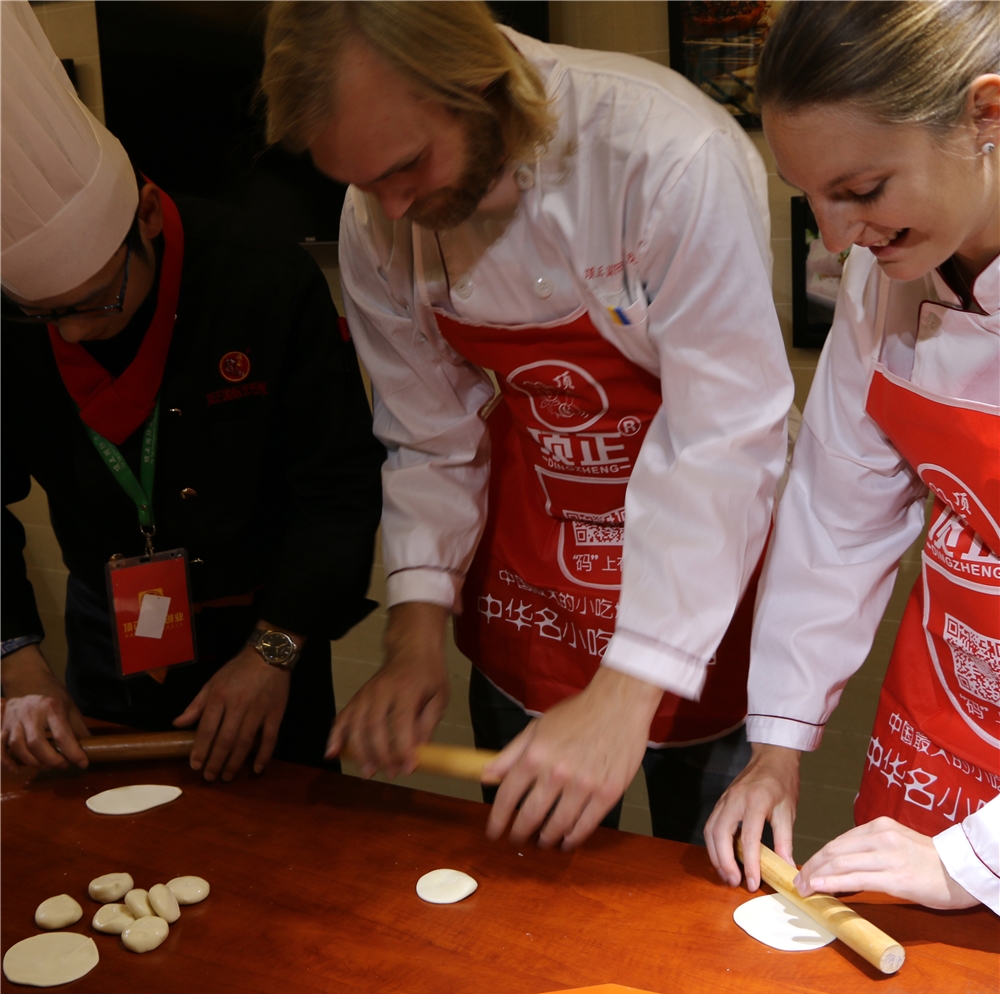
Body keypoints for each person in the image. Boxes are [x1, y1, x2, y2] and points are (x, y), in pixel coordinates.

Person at [262, 1, 794, 849]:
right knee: (534, 909)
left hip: (695, 606)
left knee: (713, 907)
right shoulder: (379, 218)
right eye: (363, 184)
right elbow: (429, 433)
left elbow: (725, 440)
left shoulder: (665, 155)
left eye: (407, 166)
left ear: (480, 87)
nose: (391, 210)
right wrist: (415, 630)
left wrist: (627, 693)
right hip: (532, 602)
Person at [0, 0, 385, 781]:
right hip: (111, 625)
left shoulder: (263, 279)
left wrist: (274, 653)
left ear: (145, 216)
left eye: (94, 303)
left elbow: (338, 487)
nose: (70, 335)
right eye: (43, 314)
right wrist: (17, 665)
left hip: (268, 626)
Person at [705, 0, 999, 914]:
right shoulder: (887, 281)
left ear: (989, 115)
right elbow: (838, 519)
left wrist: (971, 863)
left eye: (863, 191)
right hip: (941, 726)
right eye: (813, 199)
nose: (834, 241)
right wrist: (776, 750)